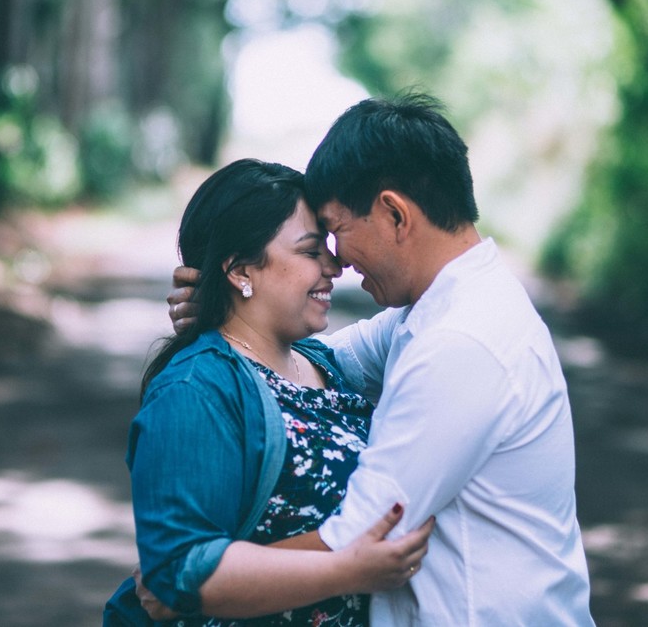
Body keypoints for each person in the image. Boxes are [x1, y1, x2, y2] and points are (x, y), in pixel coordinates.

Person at [162, 94, 595, 625]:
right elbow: (315, 368)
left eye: (335, 230)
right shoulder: (446, 308)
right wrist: (231, 312)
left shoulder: (460, 341)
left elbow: (361, 536)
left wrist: (186, 586)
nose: (336, 262)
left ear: (393, 214)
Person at [102, 158, 433, 626]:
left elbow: (440, 306)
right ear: (241, 271)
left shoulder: (322, 364)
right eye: (309, 250)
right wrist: (344, 570)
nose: (335, 266)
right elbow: (177, 573)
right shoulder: (195, 391)